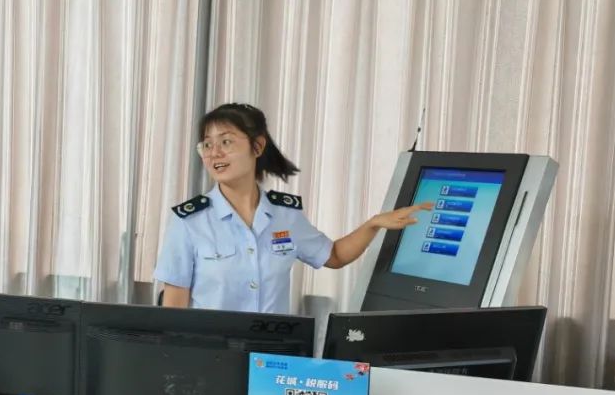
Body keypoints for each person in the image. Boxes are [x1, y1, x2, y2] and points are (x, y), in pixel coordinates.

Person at [154, 103, 431, 312]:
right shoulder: (189, 221)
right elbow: (174, 307)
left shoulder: (285, 215)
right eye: (207, 145)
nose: (214, 153)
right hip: (213, 357)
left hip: (272, 358)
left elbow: (334, 256)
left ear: (257, 147)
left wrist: (374, 224)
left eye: (226, 142)